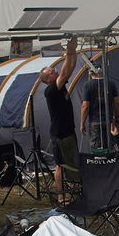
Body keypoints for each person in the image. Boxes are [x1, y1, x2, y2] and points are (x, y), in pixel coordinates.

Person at [36, 37, 81, 196]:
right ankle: (61, 195)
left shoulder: (59, 86)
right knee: (61, 165)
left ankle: (73, 190)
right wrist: (69, 50)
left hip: (68, 131)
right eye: (52, 72)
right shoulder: (51, 90)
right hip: (60, 135)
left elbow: (71, 67)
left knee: (71, 163)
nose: (56, 71)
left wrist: (73, 51)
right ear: (48, 79)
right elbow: (66, 70)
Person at [79, 77, 119, 150]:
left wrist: (82, 123)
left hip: (95, 121)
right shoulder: (110, 83)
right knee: (110, 145)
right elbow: (116, 102)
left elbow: (85, 106)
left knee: (96, 148)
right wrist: (117, 117)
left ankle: (98, 160)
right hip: (109, 121)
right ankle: (110, 160)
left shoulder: (87, 85)